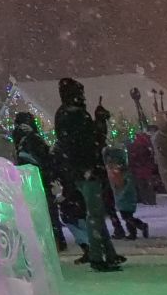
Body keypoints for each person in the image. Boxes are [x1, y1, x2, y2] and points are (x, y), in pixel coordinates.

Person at [54, 78, 120, 271]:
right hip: (87, 170)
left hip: (81, 170)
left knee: (95, 212)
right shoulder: (75, 116)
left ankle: (108, 253)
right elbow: (93, 141)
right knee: (95, 213)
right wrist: (99, 122)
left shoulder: (66, 115)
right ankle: (98, 256)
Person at [9, 111, 67, 252]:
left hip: (27, 179)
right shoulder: (34, 138)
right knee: (49, 210)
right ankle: (56, 239)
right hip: (41, 177)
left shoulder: (18, 138)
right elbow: (46, 156)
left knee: (36, 211)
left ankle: (45, 241)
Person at [106, 159, 147, 239]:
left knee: (126, 216)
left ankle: (139, 227)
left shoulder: (124, 176)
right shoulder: (123, 175)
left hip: (125, 199)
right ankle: (135, 231)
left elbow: (126, 188)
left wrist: (121, 194)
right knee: (127, 216)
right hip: (125, 199)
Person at [127, 126, 160, 205]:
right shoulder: (146, 143)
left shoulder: (136, 144)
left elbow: (133, 157)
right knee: (148, 185)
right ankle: (151, 200)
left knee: (142, 185)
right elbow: (147, 156)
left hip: (139, 169)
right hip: (145, 168)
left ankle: (145, 200)